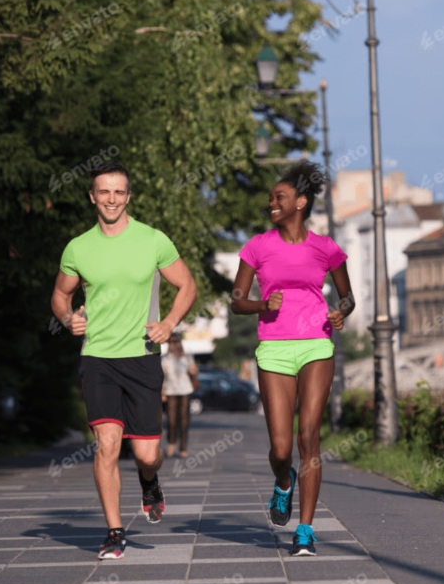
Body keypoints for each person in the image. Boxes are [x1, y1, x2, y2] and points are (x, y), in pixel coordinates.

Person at [50, 162, 197, 560]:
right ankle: (115, 531)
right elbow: (60, 296)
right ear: (92, 197)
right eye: (104, 192)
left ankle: (149, 480)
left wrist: (169, 322)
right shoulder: (78, 247)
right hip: (98, 357)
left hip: (142, 356)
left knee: (148, 453)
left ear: (128, 196)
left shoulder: (153, 240)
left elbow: (187, 284)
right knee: (107, 446)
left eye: (119, 192)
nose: (111, 199)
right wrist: (68, 320)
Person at [231, 161, 354, 557]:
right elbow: (236, 301)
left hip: (317, 345)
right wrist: (262, 304)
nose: (272, 203)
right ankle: (282, 484)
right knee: (281, 449)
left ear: (300, 203)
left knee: (308, 437)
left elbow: (347, 296)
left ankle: (305, 529)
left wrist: (341, 312)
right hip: (274, 348)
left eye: (279, 198)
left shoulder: (326, 249)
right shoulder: (257, 247)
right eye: (270, 198)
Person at [160, 332, 199, 458]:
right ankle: (171, 442)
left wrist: (193, 371)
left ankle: (183, 447)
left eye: (174, 342)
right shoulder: (165, 358)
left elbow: (194, 371)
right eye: (170, 343)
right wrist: (161, 392)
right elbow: (162, 376)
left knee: (184, 420)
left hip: (185, 390)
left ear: (179, 344)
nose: (172, 345)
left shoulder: (186, 357)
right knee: (171, 420)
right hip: (170, 391)